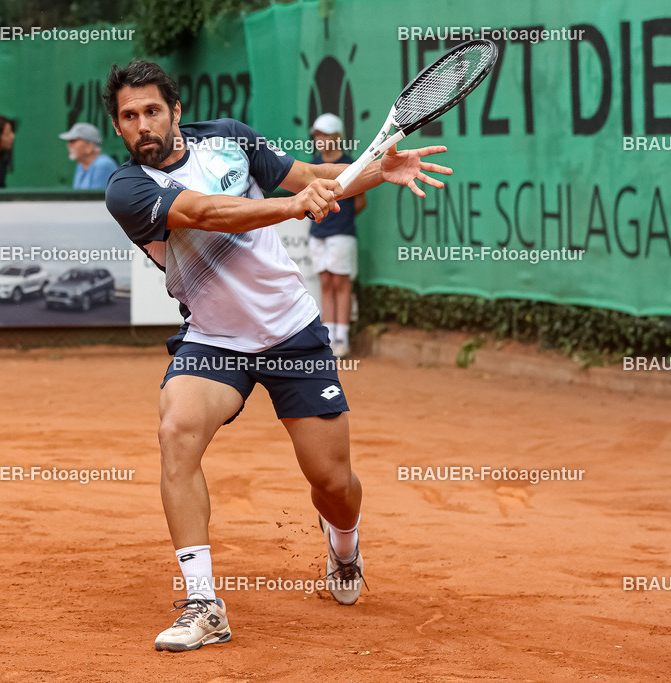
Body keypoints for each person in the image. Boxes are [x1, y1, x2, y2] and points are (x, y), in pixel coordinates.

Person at [102, 60, 451, 653]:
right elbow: (207, 213)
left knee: (332, 481)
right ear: (118, 127)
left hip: (292, 331)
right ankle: (203, 603)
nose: (143, 125)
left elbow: (314, 175)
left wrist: (375, 171)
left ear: (176, 111)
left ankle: (344, 545)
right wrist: (294, 208)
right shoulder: (128, 189)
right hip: (215, 340)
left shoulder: (232, 140)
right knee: (177, 430)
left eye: (152, 111)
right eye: (129, 117)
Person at [308, 113, 366, 357]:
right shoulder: (312, 165)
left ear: (337, 137)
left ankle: (342, 338)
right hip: (317, 233)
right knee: (325, 282)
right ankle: (329, 338)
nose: (320, 140)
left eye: (325, 135)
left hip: (342, 234)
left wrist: (339, 219)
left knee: (341, 283)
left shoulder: (351, 165)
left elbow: (360, 203)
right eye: (317, 135)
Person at [58, 122, 118, 189]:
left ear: (89, 147)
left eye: (73, 141)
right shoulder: (81, 165)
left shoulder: (103, 165)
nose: (69, 145)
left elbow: (97, 199)